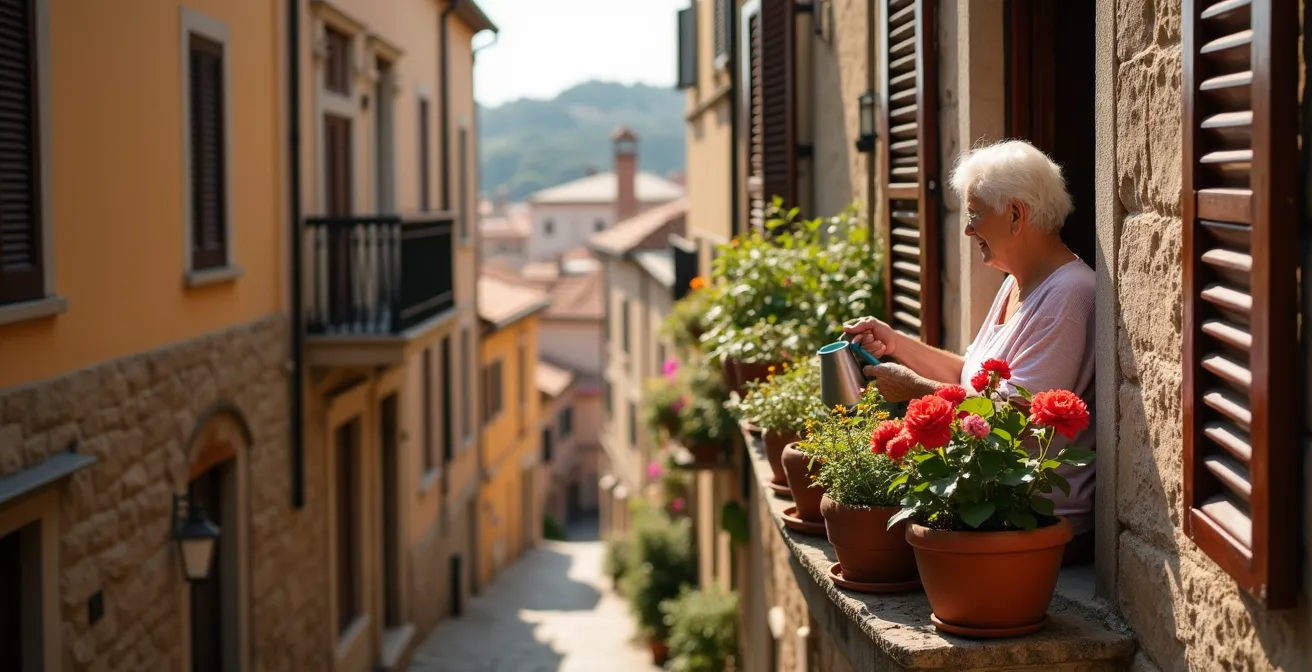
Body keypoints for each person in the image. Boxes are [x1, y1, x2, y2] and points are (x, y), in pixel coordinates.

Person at [844, 139, 1095, 564]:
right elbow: (969, 377)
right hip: (995, 509)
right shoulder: (1017, 282)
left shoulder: (1070, 295)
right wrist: (896, 344)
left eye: (976, 214)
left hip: (1030, 524)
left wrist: (915, 392)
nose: (968, 229)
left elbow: (1011, 419)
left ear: (1016, 215)